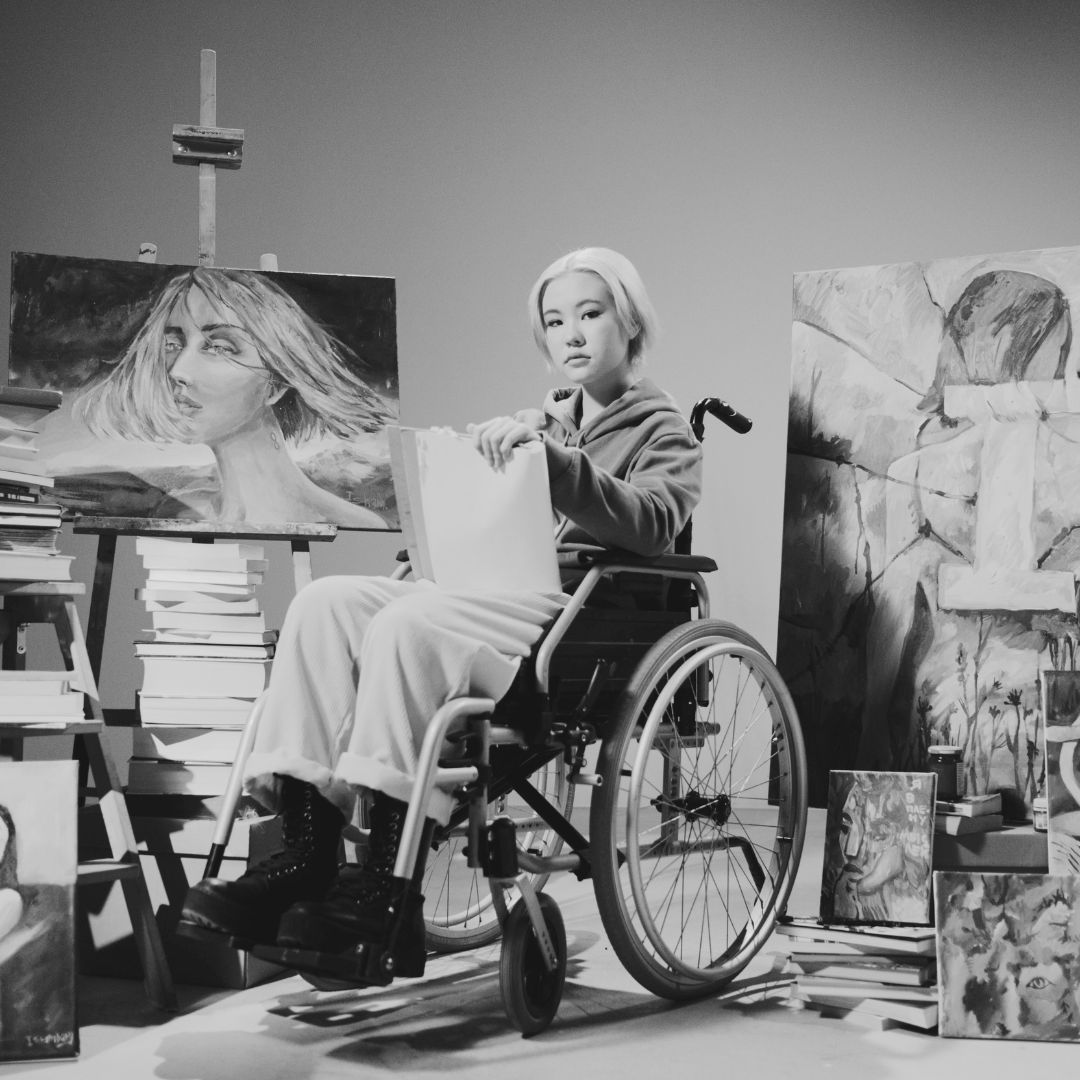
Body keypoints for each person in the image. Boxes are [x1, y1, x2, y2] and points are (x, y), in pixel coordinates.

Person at [179, 247, 703, 966]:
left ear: (631, 322)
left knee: (406, 625)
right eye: (555, 321)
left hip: (567, 610)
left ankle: (385, 890)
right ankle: (306, 853)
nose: (572, 334)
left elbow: (655, 524)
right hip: (485, 586)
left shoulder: (663, 429)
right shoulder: (538, 422)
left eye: (590, 313)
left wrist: (557, 466)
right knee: (324, 604)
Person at [75, 266, 394, 527]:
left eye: (219, 347)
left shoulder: (348, 521)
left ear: (276, 383)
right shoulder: (178, 511)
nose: (177, 371)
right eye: (172, 345)